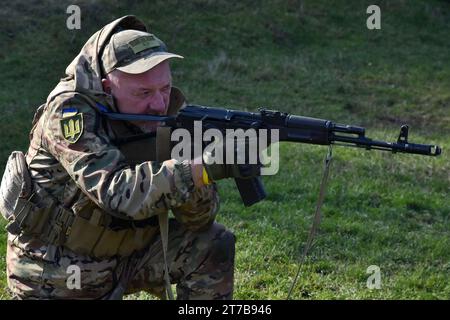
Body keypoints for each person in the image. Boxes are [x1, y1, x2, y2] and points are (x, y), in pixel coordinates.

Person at [1, 15, 260, 300]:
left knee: (212, 244)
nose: (159, 104)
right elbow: (117, 193)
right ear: (107, 86)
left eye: (164, 88)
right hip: (58, 269)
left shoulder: (168, 112)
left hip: (129, 255)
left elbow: (199, 220)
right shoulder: (68, 114)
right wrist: (201, 167)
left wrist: (202, 170)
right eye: (144, 92)